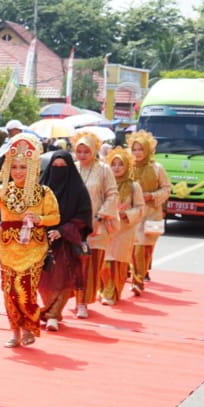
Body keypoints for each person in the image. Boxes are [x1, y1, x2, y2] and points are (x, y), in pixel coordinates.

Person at [0, 136, 60, 347]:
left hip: (33, 247)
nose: (19, 171)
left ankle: (29, 327)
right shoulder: (3, 190)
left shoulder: (43, 192)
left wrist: (40, 219)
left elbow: (55, 217)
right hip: (7, 247)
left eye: (23, 166)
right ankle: (14, 331)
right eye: (14, 167)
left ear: (32, 167)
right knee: (9, 291)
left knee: (25, 290)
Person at [37, 150, 93, 332]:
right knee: (44, 281)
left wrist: (62, 230)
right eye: (55, 167)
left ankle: (53, 315)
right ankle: (50, 310)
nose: (58, 170)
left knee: (62, 279)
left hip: (66, 241)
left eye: (63, 167)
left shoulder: (78, 189)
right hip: (41, 240)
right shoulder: (42, 187)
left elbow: (83, 215)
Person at [73, 132, 117, 319]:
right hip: (74, 226)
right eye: (79, 151)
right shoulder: (72, 168)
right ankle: (77, 299)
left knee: (90, 266)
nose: (82, 155)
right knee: (75, 264)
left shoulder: (103, 169)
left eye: (86, 151)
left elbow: (112, 194)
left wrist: (100, 216)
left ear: (94, 151)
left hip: (97, 225)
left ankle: (83, 302)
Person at [100, 147, 145, 306]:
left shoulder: (134, 186)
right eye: (114, 164)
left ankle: (112, 293)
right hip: (105, 227)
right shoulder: (104, 183)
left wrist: (127, 214)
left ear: (127, 166)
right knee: (103, 262)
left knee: (117, 263)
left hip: (124, 229)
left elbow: (141, 208)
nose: (117, 167)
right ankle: (105, 289)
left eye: (120, 164)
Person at [127, 131, 170, 295]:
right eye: (134, 149)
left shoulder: (157, 168)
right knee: (135, 248)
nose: (137, 153)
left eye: (140, 149)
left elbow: (166, 189)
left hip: (152, 214)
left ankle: (141, 275)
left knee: (146, 249)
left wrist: (151, 196)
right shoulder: (126, 167)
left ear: (148, 150)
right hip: (132, 214)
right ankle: (137, 281)